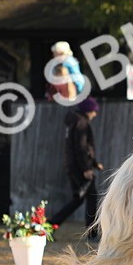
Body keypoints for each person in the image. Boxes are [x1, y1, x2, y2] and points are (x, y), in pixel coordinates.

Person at [50, 97, 104, 239]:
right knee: (91, 197)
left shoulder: (74, 122)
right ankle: (92, 233)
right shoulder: (81, 123)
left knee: (78, 200)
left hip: (73, 166)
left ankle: (49, 226)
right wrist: (86, 168)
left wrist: (94, 163)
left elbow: (82, 148)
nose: (95, 114)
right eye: (94, 111)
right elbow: (80, 148)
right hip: (79, 168)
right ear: (88, 110)